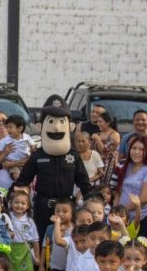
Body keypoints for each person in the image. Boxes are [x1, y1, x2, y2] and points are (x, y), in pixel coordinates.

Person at [14, 102, 93, 241]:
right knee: (41, 240)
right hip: (43, 208)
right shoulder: (38, 155)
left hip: (66, 209)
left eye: (61, 122)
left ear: (70, 127)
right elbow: (23, 181)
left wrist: (93, 203)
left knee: (66, 242)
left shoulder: (73, 156)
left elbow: (84, 184)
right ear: (40, 126)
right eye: (51, 121)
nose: (56, 128)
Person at [111, 135, 147, 244]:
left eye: (141, 149)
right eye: (134, 148)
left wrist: (122, 210)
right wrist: (115, 210)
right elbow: (119, 190)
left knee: (143, 256)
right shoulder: (125, 165)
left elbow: (144, 198)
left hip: (146, 218)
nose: (136, 152)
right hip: (124, 219)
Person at [5, 189, 39, 271]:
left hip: (25, 252)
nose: (19, 205)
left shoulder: (30, 221)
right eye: (16, 202)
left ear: (28, 206)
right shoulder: (7, 218)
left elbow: (35, 240)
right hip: (11, 251)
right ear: (10, 203)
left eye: (23, 203)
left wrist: (37, 256)